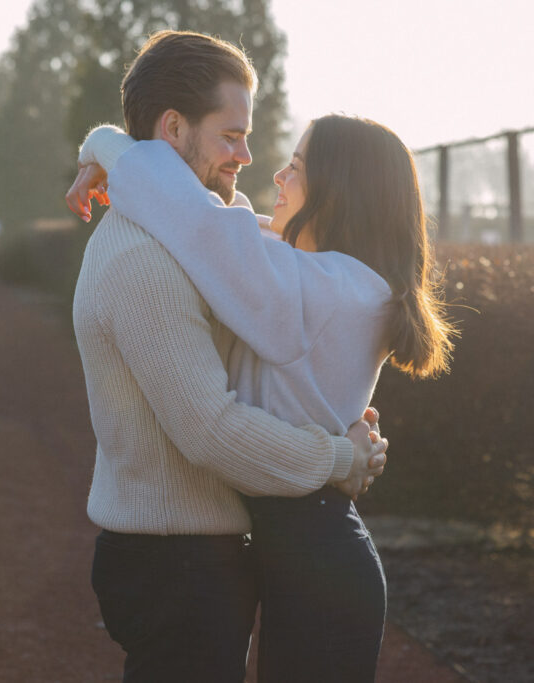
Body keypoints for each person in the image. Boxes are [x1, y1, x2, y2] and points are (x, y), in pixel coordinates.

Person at [68, 113, 456, 681]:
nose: (274, 174)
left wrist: (103, 143)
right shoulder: (338, 279)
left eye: (295, 167)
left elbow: (194, 218)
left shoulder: (318, 286)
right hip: (310, 546)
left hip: (317, 557)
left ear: (337, 192)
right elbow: (217, 223)